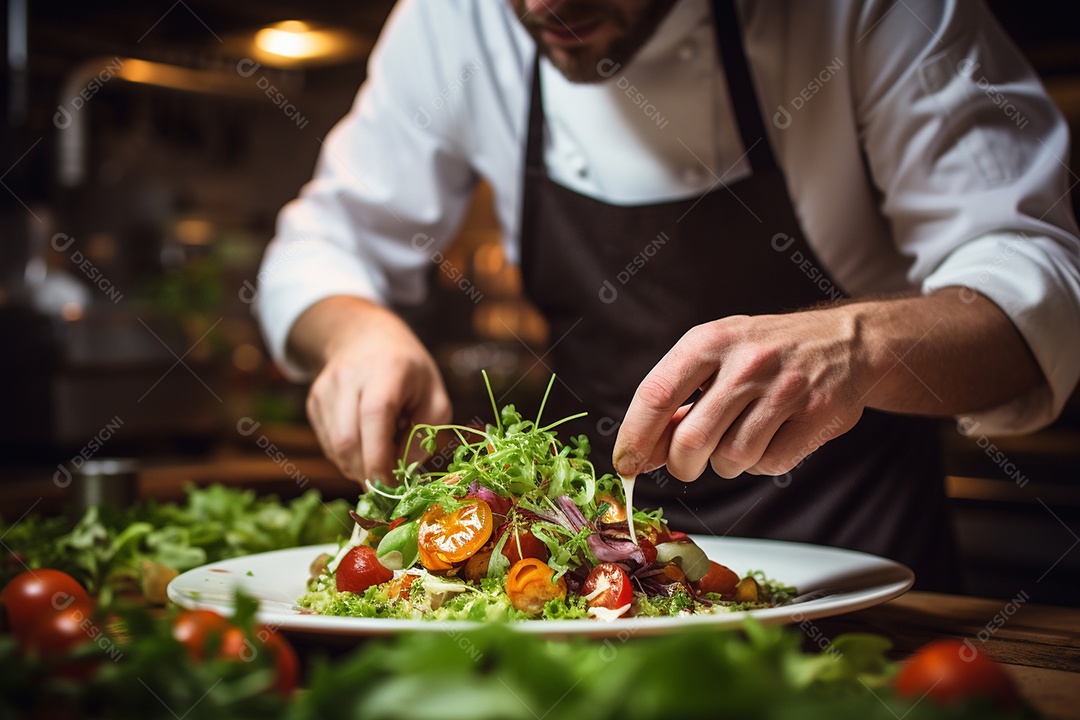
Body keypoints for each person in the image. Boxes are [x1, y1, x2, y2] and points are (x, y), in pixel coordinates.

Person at [255, 0, 1080, 591]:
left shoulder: (876, 12)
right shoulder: (450, 23)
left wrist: (857, 346)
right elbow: (325, 244)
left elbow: (1040, 283)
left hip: (855, 564)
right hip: (601, 570)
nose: (545, 5)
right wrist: (356, 332)